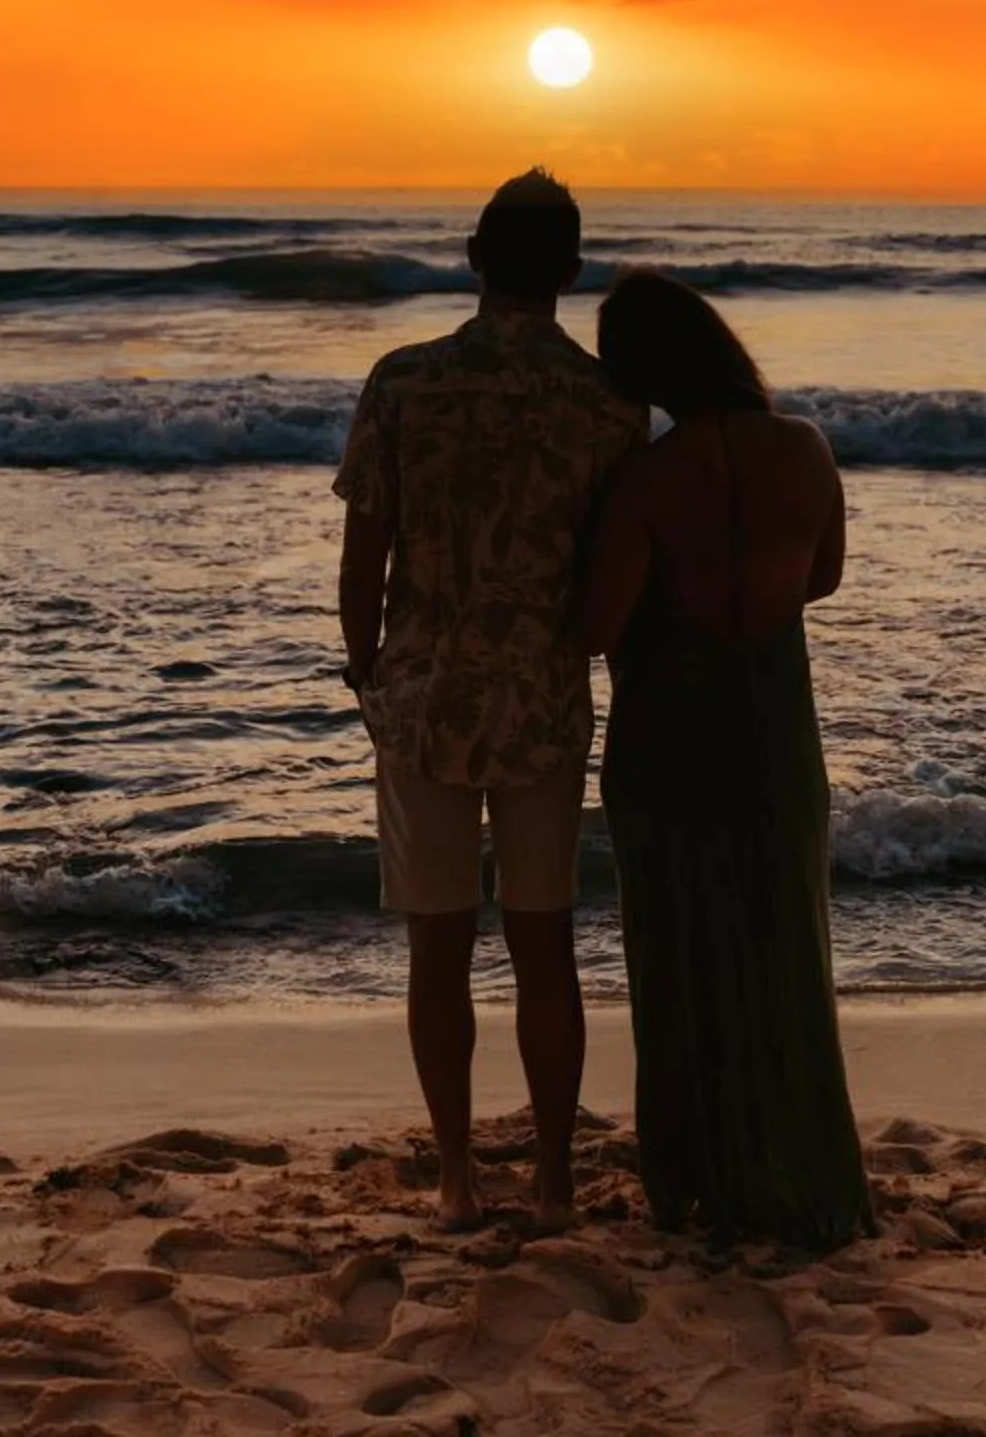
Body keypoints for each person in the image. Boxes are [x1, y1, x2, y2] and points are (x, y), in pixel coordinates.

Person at [335, 170, 647, 1228]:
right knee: (543, 941)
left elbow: (364, 549)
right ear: (568, 268)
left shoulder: (403, 381)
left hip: (425, 692)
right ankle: (556, 1181)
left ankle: (461, 1178)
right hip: (545, 693)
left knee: (438, 944)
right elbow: (616, 574)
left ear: (472, 256)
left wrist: (363, 659)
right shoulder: (607, 405)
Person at [575, 269, 874, 1250]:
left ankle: (696, 1175)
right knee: (784, 946)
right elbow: (821, 577)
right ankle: (802, 1166)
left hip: (669, 737)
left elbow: (597, 624)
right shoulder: (804, 449)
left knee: (680, 953)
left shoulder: (648, 480)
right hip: (775, 732)